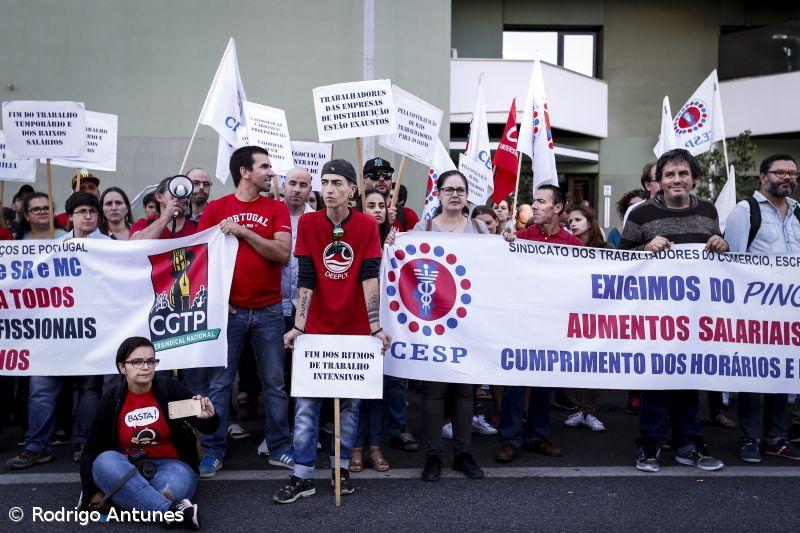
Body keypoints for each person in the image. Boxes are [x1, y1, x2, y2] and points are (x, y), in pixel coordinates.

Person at [274, 159, 390, 503]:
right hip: (317, 331)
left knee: (349, 408)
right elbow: (306, 278)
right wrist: (299, 325)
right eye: (324, 182)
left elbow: (370, 276)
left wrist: (375, 325)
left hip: (355, 331)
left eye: (337, 182)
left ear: (352, 190)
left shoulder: (367, 224)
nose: (329, 188)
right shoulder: (309, 223)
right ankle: (303, 475)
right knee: (307, 407)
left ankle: (340, 471)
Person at [620, 148, 727, 473]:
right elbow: (618, 261)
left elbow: (721, 262)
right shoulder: (640, 215)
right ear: (659, 180)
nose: (676, 180)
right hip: (654, 316)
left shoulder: (708, 211)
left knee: (690, 381)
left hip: (696, 316)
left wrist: (722, 245)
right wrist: (643, 247)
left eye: (683, 174)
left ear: (694, 178)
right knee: (656, 383)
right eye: (670, 174)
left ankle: (688, 446)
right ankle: (649, 448)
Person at [197, 146, 292, 477]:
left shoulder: (276, 208)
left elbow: (282, 253)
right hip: (229, 313)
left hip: (268, 311)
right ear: (245, 172)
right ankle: (212, 450)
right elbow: (200, 262)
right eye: (265, 166)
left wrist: (243, 231)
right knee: (220, 385)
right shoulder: (216, 209)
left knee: (275, 383)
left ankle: (280, 447)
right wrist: (216, 299)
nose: (271, 172)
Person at [79, 337, 219, 529]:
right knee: (104, 461)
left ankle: (118, 502)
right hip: (126, 467)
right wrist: (90, 490)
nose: (145, 366)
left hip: (172, 466)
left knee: (171, 489)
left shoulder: (169, 389)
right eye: (137, 361)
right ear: (122, 367)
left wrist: (207, 417)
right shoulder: (112, 399)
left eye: (151, 361)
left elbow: (207, 426)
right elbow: (92, 450)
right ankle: (172, 514)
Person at [410, 169, 488, 482]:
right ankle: (433, 456)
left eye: (460, 189)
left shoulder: (481, 229)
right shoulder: (423, 227)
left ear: (468, 194)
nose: (454, 195)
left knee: (465, 392)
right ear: (438, 194)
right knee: (433, 392)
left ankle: (463, 454)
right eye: (448, 189)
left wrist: (507, 243)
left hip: (468, 324)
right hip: (434, 323)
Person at [496, 185, 581, 464]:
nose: (534, 206)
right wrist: (504, 242)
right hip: (520, 322)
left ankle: (537, 435)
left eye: (541, 202)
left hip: (552, 324)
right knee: (514, 382)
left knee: (545, 382)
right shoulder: (520, 238)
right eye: (533, 201)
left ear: (557, 208)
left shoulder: (574, 246)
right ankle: (510, 438)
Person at [725, 153, 800, 463]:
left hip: (789, 314)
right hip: (755, 312)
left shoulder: (798, 214)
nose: (787, 178)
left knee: (784, 374)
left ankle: (777, 437)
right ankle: (751, 439)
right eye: (780, 172)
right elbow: (733, 263)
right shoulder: (746, 211)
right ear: (762, 176)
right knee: (754, 377)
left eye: (792, 174)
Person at [562, 206, 611, 432]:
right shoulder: (563, 247)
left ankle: (590, 411)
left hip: (598, 314)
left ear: (590, 223)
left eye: (578, 219)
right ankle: (581, 410)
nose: (573, 223)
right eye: (570, 220)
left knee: (593, 365)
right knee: (576, 365)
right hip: (571, 313)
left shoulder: (606, 249)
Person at [362, 157, 420, 231]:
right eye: (375, 175)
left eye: (386, 175)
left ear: (391, 181)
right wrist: (384, 222)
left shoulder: (407, 215)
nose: (381, 179)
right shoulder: (353, 214)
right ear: (364, 182)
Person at [131, 177, 197, 240]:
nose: (181, 196)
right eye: (174, 191)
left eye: (186, 192)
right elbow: (133, 244)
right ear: (159, 197)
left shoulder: (197, 227)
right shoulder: (144, 224)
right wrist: (166, 217)